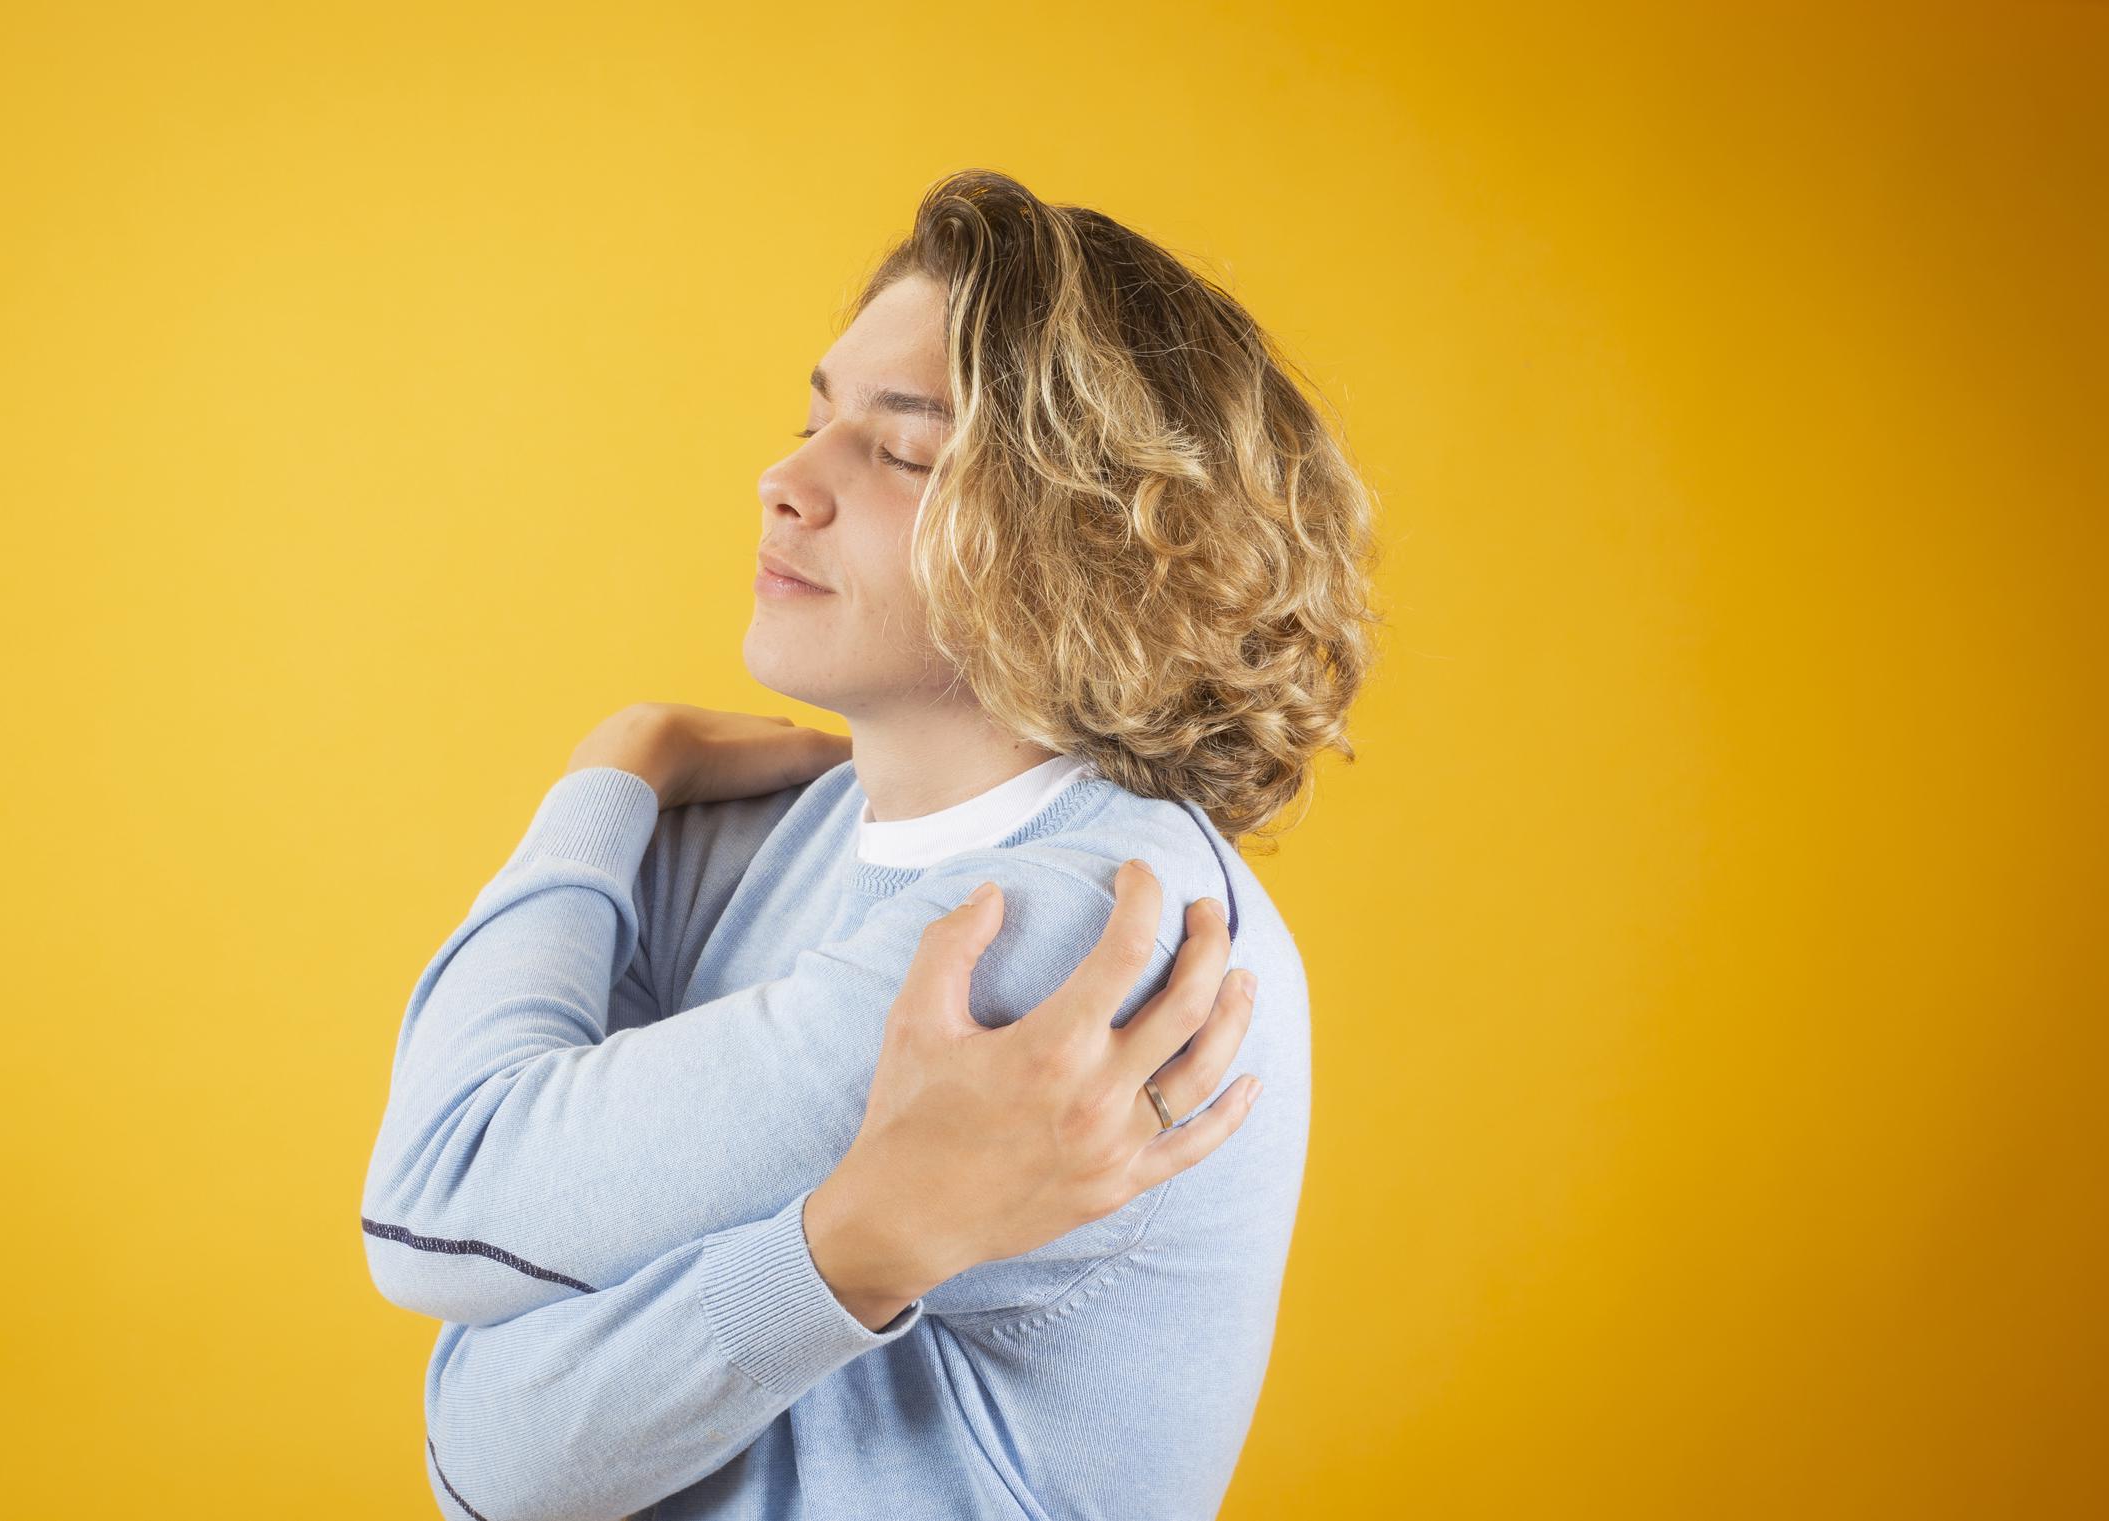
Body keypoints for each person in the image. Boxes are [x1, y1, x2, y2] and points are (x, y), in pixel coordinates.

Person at [360, 168, 1383, 1521]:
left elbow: (437, 1196)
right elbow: (495, 1449)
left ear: (1100, 540)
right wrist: (846, 1248)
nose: (785, 481)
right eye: (813, 417)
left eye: (902, 450)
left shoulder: (1078, 930)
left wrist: (604, 781)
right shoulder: (772, 838)